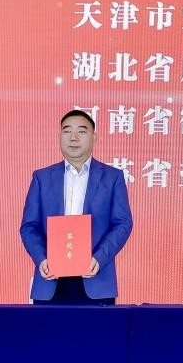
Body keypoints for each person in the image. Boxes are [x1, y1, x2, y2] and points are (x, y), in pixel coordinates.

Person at [20, 110, 132, 305]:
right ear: (59, 137)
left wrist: (99, 258)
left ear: (94, 137)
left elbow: (122, 223)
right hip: (50, 279)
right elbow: (29, 226)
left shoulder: (113, 177)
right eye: (67, 131)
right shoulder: (42, 178)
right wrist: (41, 259)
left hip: (96, 279)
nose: (73, 138)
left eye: (81, 131)